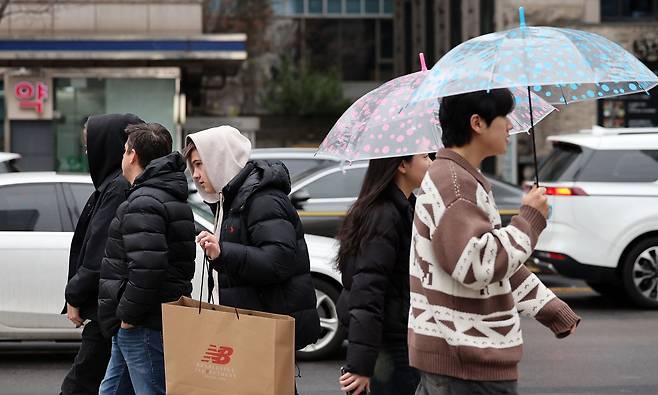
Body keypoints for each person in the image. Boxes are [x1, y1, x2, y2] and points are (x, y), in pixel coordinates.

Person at [409, 89, 581, 395]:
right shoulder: (455, 183)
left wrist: (549, 308)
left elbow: (498, 264)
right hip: (466, 360)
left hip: (460, 356)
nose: (511, 126)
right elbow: (476, 263)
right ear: (477, 123)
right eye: (503, 117)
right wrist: (529, 219)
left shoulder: (459, 176)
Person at [184, 126, 321, 348]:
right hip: (249, 328)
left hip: (264, 331)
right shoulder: (230, 199)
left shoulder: (262, 199)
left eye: (200, 164)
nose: (195, 175)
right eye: (193, 166)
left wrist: (223, 253)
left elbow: (278, 261)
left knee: (269, 384)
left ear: (221, 160)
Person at [97, 123, 196, 395]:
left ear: (132, 155)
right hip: (139, 320)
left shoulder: (144, 201)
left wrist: (128, 317)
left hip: (142, 322)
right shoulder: (165, 197)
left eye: (125, 150)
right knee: (111, 391)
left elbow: (148, 267)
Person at [336, 154, 433, 395]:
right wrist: (360, 366)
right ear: (402, 165)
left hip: (402, 335)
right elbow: (367, 292)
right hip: (390, 343)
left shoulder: (405, 206)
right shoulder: (384, 215)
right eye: (424, 157)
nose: (431, 163)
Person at [61, 113, 143, 395]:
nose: (87, 153)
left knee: (80, 384)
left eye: (89, 146)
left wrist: (74, 295)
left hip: (106, 304)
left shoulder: (117, 188)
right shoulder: (112, 186)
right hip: (111, 303)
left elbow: (100, 252)